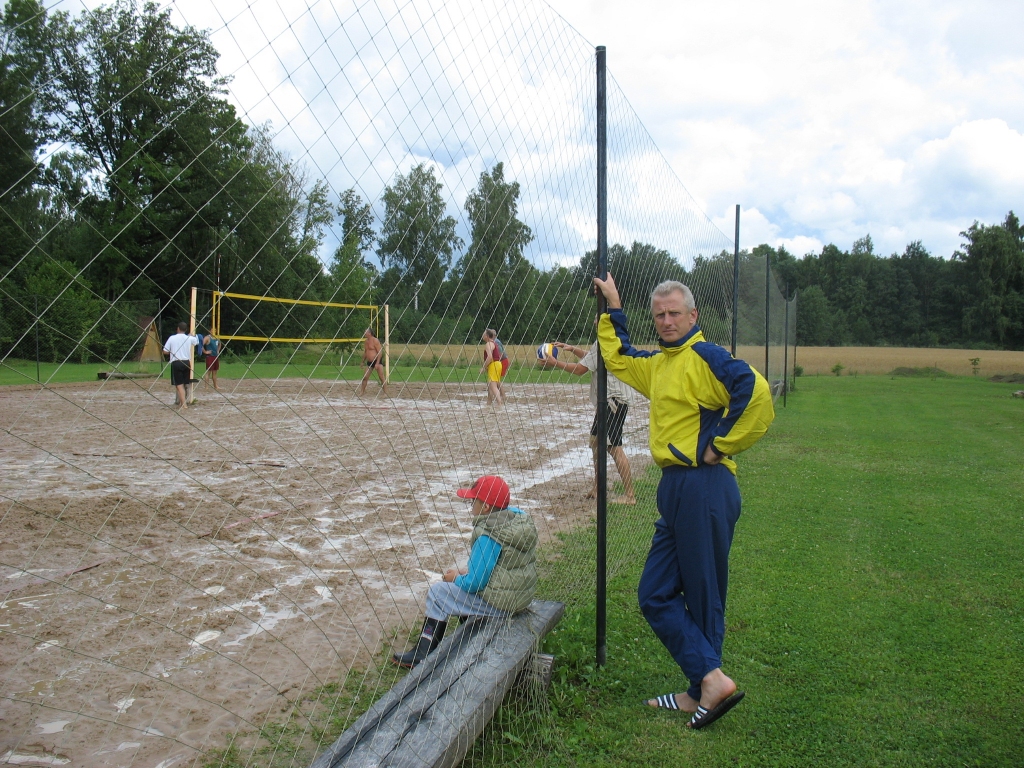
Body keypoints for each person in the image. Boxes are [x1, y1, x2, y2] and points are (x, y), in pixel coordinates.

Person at [593, 273, 774, 730]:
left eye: (675, 313)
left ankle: (702, 690)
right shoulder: (659, 364)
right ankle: (707, 682)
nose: (668, 320)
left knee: (704, 592)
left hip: (705, 484)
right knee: (654, 593)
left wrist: (719, 446)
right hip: (675, 488)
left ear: (693, 315)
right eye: (660, 315)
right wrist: (614, 304)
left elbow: (757, 394)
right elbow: (617, 356)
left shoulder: (704, 357)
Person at [392, 475, 538, 668]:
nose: (471, 506)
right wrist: (466, 574)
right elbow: (499, 566)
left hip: (502, 605)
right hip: (517, 598)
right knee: (464, 578)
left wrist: (455, 579)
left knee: (438, 593)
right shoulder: (513, 523)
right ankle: (471, 625)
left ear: (485, 507)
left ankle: (423, 652)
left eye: (473, 502)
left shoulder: (488, 535)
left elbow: (475, 583)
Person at [538, 329, 636, 505]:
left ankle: (630, 496)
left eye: (598, 318)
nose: (595, 322)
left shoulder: (605, 342)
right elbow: (593, 358)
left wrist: (555, 363)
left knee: (613, 447)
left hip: (612, 401)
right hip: (609, 401)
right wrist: (573, 349)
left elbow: (580, 370)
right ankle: (598, 488)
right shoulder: (613, 340)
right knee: (595, 443)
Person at [162, 322, 199, 410]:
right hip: (187, 362)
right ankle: (182, 402)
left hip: (177, 362)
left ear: (178, 328)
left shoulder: (172, 338)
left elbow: (165, 351)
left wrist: (172, 351)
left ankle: (184, 404)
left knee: (179, 384)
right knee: (184, 383)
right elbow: (196, 341)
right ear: (186, 330)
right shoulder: (189, 338)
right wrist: (191, 336)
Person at [480, 329, 509, 405]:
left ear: (487, 336)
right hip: (497, 364)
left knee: (493, 386)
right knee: (491, 385)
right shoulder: (492, 343)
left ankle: (499, 403)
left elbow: (489, 357)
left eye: (483, 334)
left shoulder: (489, 344)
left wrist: (483, 367)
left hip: (494, 365)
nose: (482, 336)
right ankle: (489, 402)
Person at [359, 328, 388, 396]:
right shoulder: (366, 341)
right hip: (369, 362)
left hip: (377, 360)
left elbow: (380, 352)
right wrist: (362, 361)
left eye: (365, 332)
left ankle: (385, 393)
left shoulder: (375, 340)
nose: (364, 333)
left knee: (381, 377)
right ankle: (362, 392)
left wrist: (377, 363)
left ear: (369, 333)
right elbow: (366, 352)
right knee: (365, 377)